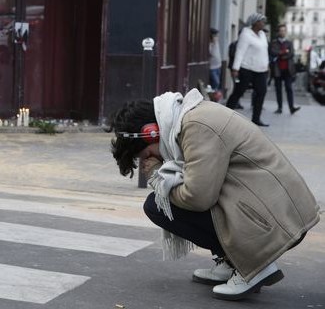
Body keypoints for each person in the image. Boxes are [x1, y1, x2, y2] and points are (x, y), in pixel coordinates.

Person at [110, 88, 320, 301]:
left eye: (147, 155)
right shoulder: (189, 118)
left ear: (151, 132)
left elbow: (197, 197)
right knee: (161, 203)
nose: (151, 161)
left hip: (278, 218)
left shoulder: (196, 126)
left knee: (158, 207)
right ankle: (232, 261)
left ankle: (255, 265)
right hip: (270, 209)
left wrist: (157, 175)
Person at [226, 13, 269, 127]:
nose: (264, 23)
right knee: (239, 91)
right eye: (262, 21)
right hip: (247, 68)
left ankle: (256, 119)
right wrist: (235, 68)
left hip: (261, 70)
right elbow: (240, 51)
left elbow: (264, 51)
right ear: (255, 23)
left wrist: (266, 65)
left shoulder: (263, 35)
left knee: (261, 92)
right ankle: (225, 114)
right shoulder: (246, 34)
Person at [270, 24, 300, 114]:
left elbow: (291, 53)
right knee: (278, 89)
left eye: (284, 30)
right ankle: (280, 108)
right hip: (277, 70)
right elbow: (273, 52)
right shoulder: (274, 43)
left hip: (288, 70)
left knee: (289, 89)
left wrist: (282, 55)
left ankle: (291, 108)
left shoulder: (289, 43)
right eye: (281, 30)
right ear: (278, 32)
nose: (282, 32)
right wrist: (283, 52)